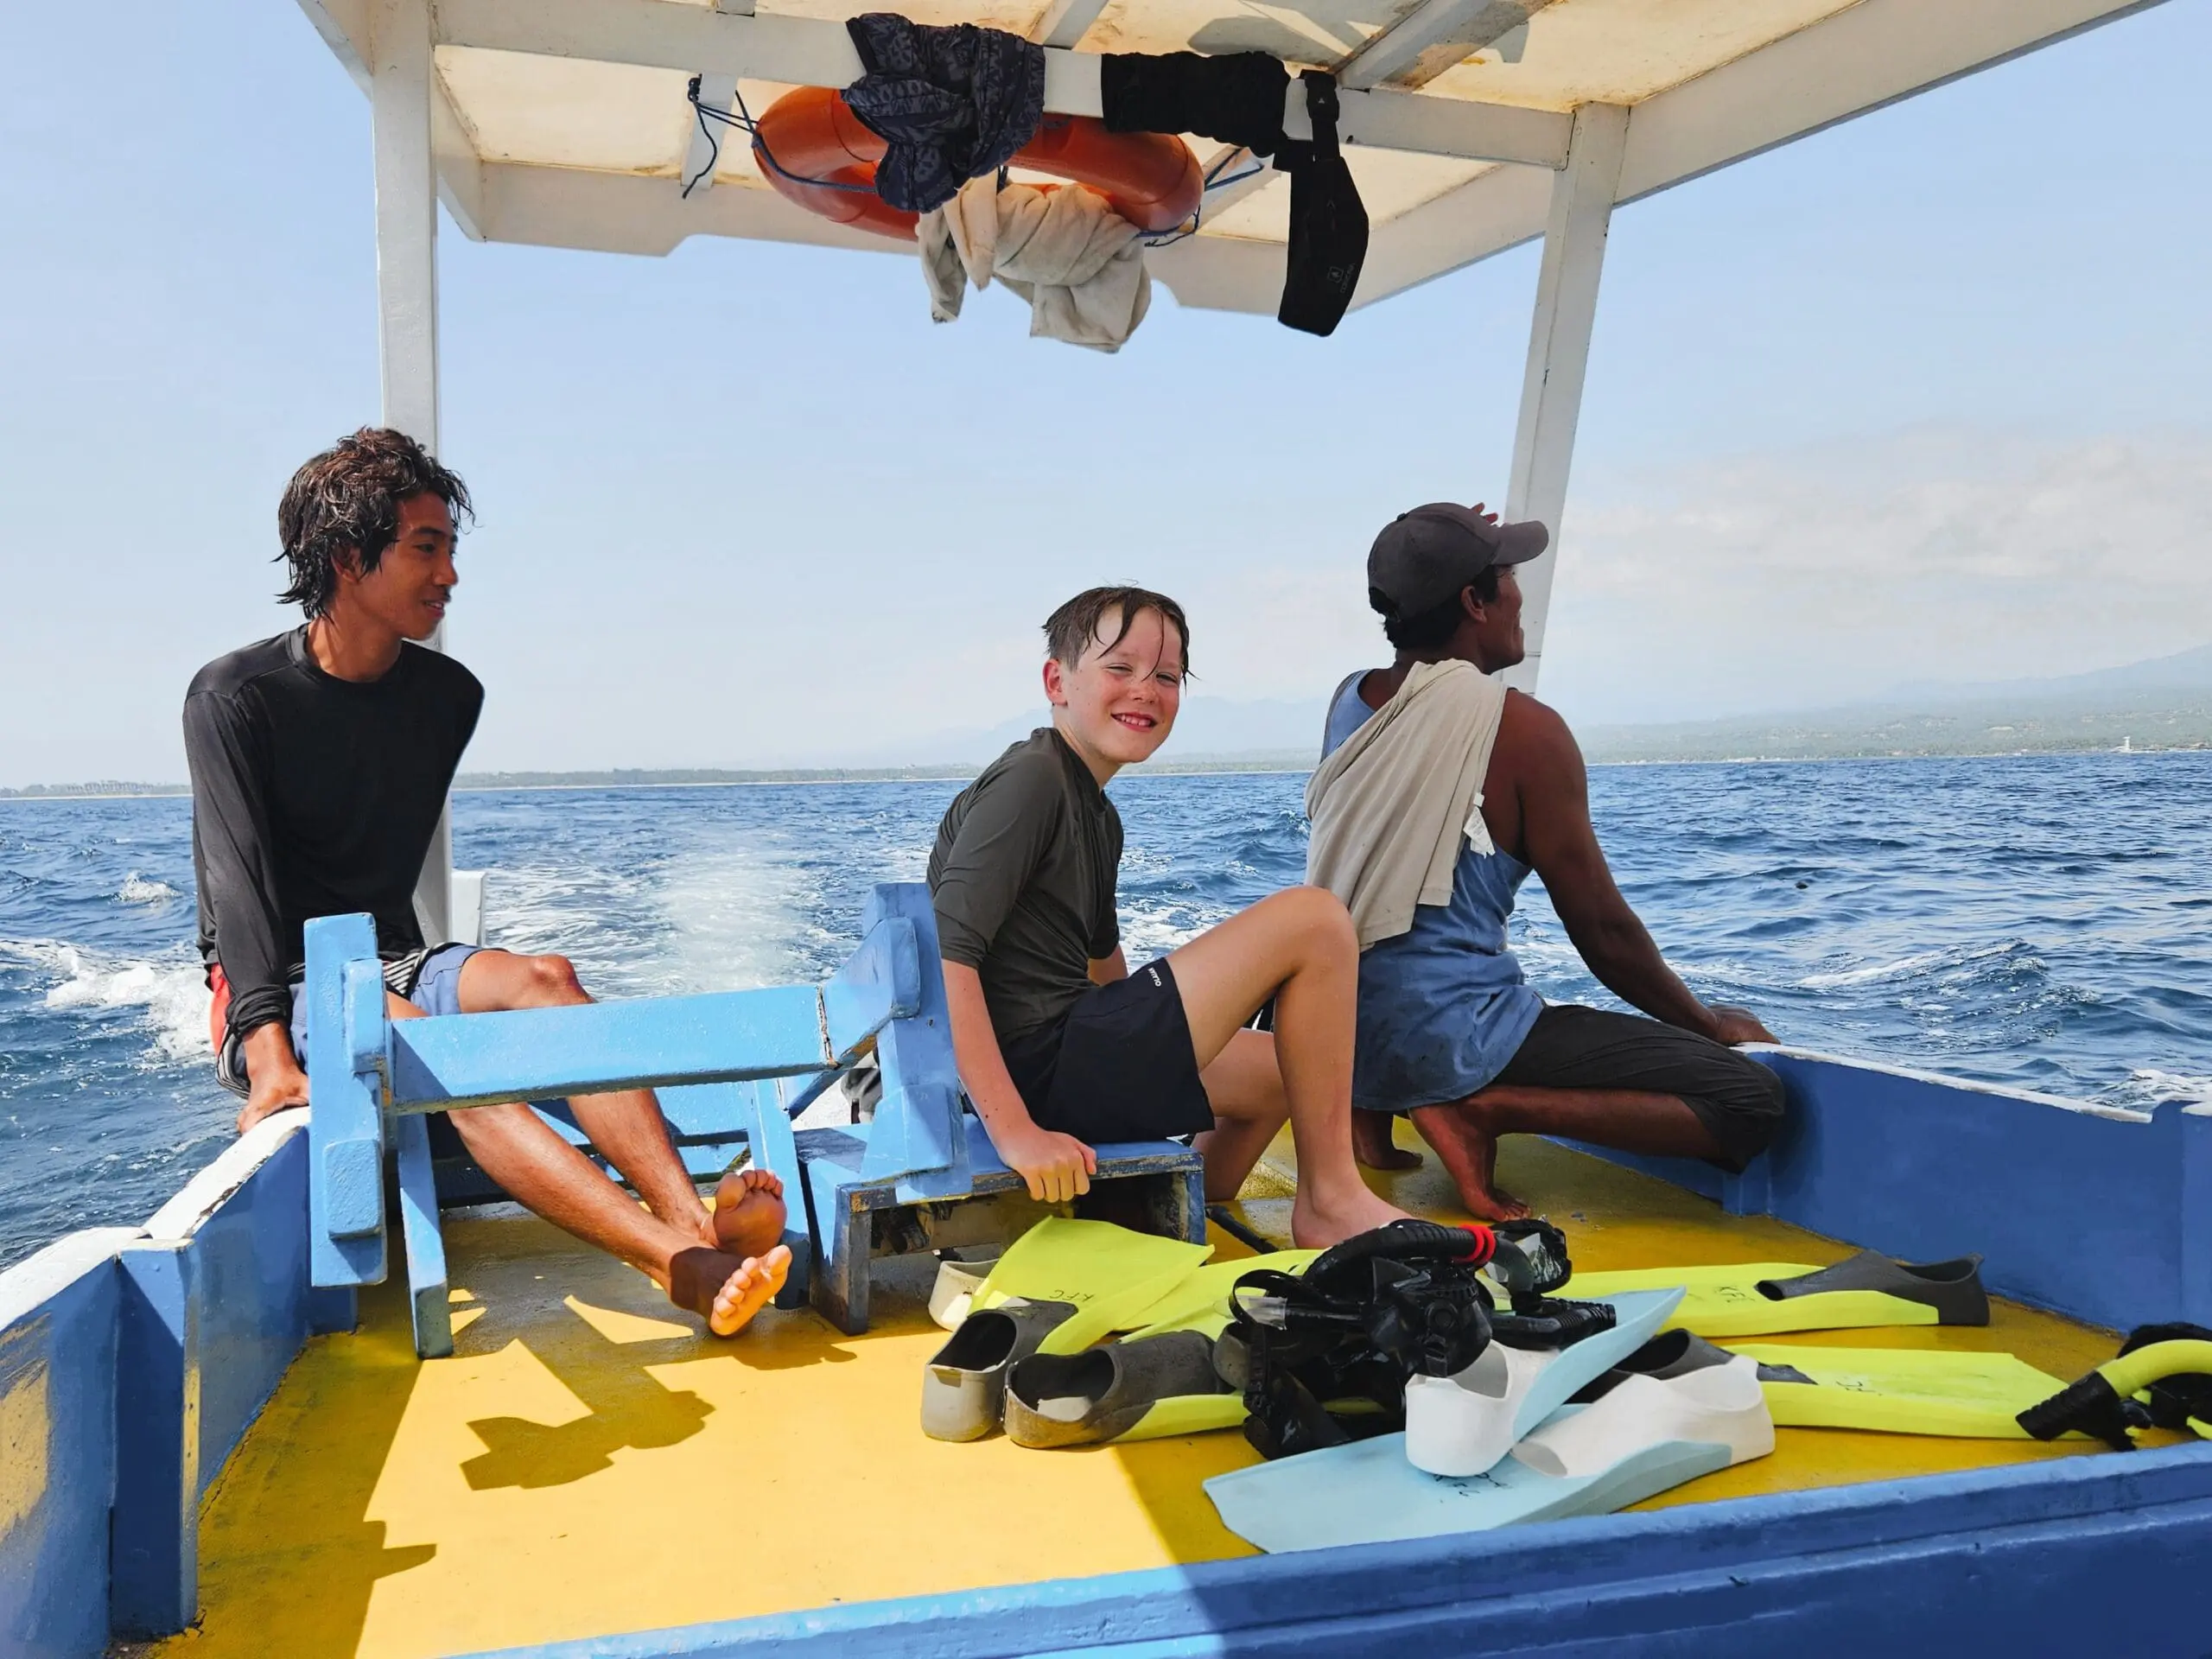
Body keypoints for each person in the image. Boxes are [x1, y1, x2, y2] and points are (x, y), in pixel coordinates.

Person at [185, 428, 787, 1336]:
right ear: (347, 558)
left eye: (450, 550)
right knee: (432, 1043)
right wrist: (268, 1058)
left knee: (547, 978)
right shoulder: (235, 697)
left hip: (393, 955)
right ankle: (674, 1264)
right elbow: (236, 888)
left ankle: (694, 1223)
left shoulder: (447, 698)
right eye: (426, 549)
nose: (450, 575)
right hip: (275, 983)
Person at [1306, 502, 1786, 1220]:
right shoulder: (1526, 732)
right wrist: (1706, 1024)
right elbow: (1603, 932)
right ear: (1475, 602)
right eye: (1506, 575)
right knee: (1752, 1102)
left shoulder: (1351, 700)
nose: (1519, 595)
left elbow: (1366, 878)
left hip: (1339, 1028)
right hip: (1450, 1038)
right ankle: (1480, 1110)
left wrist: (1445, 546)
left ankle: (1371, 1108)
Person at [927, 586, 1410, 1249]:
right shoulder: (1031, 780)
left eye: (1166, 676)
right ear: (1057, 682)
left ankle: (1170, 1203)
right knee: (1315, 919)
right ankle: (1330, 1201)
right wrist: (1016, 1133)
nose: (1145, 691)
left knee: (1285, 1073)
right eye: (1119, 668)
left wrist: (1174, 1032)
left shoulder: (1096, 812)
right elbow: (947, 953)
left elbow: (1104, 968)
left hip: (1069, 1057)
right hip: (1037, 1075)